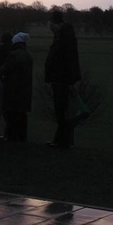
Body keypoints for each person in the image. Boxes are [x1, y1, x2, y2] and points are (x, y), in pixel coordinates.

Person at [44, 8, 82, 149]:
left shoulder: (66, 38)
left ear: (57, 24)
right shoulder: (62, 36)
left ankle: (62, 141)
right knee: (60, 111)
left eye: (52, 26)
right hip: (59, 79)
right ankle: (61, 140)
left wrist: (71, 81)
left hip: (63, 80)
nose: (51, 29)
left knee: (62, 111)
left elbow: (71, 59)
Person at [1, 32, 33, 143]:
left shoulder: (13, 55)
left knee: (11, 113)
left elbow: (5, 69)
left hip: (13, 88)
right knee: (22, 114)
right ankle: (22, 137)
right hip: (25, 89)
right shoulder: (28, 55)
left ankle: (11, 136)